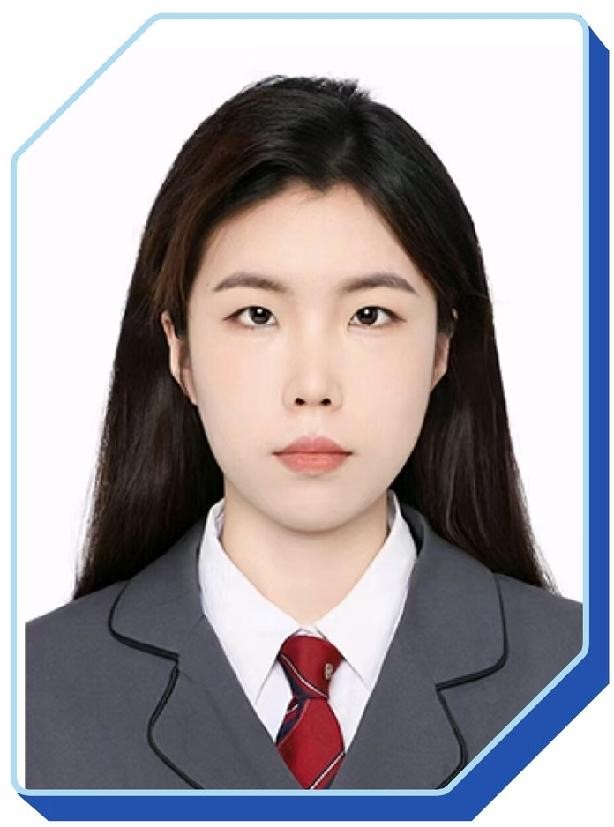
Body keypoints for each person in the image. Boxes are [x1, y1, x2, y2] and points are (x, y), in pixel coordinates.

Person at [25, 74, 581, 791]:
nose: (313, 385)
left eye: (370, 315)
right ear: (180, 351)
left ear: (442, 348)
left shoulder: (580, 675)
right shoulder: (31, 691)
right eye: (257, 315)